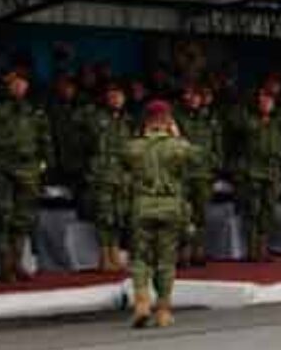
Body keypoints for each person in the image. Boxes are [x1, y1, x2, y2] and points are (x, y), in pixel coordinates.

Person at [123, 99, 199, 328]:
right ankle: (163, 310)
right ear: (168, 121)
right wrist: (177, 137)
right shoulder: (177, 147)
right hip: (170, 207)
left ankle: (142, 303)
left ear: (146, 122)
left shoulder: (133, 148)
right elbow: (196, 158)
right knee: (166, 260)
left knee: (140, 258)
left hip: (143, 207)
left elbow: (124, 167)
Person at [0, 66, 52, 282]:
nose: (18, 86)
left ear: (27, 86)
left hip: (29, 168)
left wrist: (46, 165)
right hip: (3, 168)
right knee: (3, 216)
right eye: (13, 83)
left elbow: (45, 138)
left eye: (22, 83)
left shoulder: (34, 109)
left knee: (24, 217)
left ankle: (17, 262)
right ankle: (5, 265)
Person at [227, 85, 281, 262]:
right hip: (252, 171)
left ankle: (263, 246)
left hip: (272, 171)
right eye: (263, 101)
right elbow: (234, 124)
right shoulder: (247, 120)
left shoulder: (279, 122)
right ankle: (252, 248)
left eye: (269, 101)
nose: (266, 104)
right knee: (252, 210)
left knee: (269, 209)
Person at [82, 81, 135, 273]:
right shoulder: (96, 118)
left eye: (119, 96)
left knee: (119, 216)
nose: (116, 100)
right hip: (102, 174)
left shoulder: (127, 120)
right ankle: (105, 257)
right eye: (112, 96)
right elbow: (89, 143)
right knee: (104, 217)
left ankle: (115, 254)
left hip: (122, 176)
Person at [173, 84, 222, 266]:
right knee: (183, 214)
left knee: (200, 214)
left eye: (196, 96)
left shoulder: (209, 119)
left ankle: (198, 249)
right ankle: (183, 250)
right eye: (189, 95)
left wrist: (215, 164)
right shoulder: (177, 118)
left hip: (203, 173)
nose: (193, 99)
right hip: (183, 173)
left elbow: (217, 144)